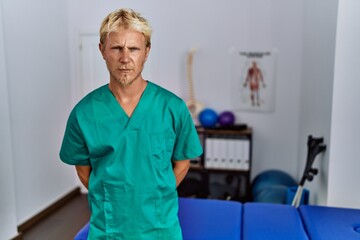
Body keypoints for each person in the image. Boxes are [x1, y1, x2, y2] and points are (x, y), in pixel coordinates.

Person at [59, 8, 202, 239]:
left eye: (134, 48)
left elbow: (182, 164)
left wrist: (155, 194)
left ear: (146, 52)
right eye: (116, 48)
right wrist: (113, 199)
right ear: (102, 50)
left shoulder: (173, 108)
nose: (125, 58)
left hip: (160, 230)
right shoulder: (83, 113)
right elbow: (83, 170)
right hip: (109, 231)